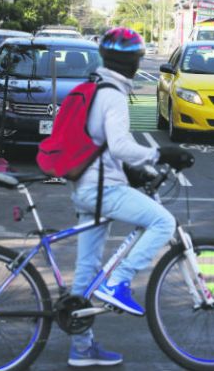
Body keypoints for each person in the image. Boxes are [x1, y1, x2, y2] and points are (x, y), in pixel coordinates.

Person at [67, 27, 194, 367]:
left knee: (87, 270)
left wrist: (138, 172)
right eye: (138, 58)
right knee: (163, 221)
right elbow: (120, 144)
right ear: (132, 61)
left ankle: (81, 347)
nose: (138, 64)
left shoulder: (96, 86)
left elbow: (105, 146)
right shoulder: (114, 94)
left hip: (87, 187)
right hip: (102, 190)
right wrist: (159, 155)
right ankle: (119, 283)